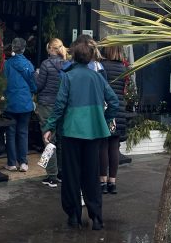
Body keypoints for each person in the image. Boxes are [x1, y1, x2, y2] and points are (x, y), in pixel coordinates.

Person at [42, 35, 119, 230]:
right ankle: (96, 218)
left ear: (73, 56)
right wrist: (105, 118)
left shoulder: (67, 77)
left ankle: (74, 217)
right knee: (91, 175)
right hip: (94, 132)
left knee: (71, 175)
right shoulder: (97, 78)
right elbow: (114, 102)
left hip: (71, 131)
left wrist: (50, 126)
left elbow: (59, 105)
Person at [35, 38, 67, 188]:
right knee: (59, 139)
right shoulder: (67, 65)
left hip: (46, 104)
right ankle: (61, 172)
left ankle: (51, 175)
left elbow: (39, 86)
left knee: (48, 139)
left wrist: (36, 75)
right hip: (61, 105)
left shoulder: (46, 64)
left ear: (50, 49)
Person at [4, 37, 37, 172]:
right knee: (23, 132)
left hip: (10, 102)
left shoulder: (7, 64)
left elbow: (3, 83)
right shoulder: (29, 64)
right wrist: (34, 92)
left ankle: (12, 163)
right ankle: (23, 163)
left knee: (10, 133)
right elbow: (33, 84)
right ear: (24, 49)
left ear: (12, 48)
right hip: (25, 103)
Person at [99, 44, 128, 194]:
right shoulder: (124, 68)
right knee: (114, 146)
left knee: (103, 145)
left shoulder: (102, 67)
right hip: (120, 109)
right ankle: (113, 182)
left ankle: (102, 181)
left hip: (106, 110)